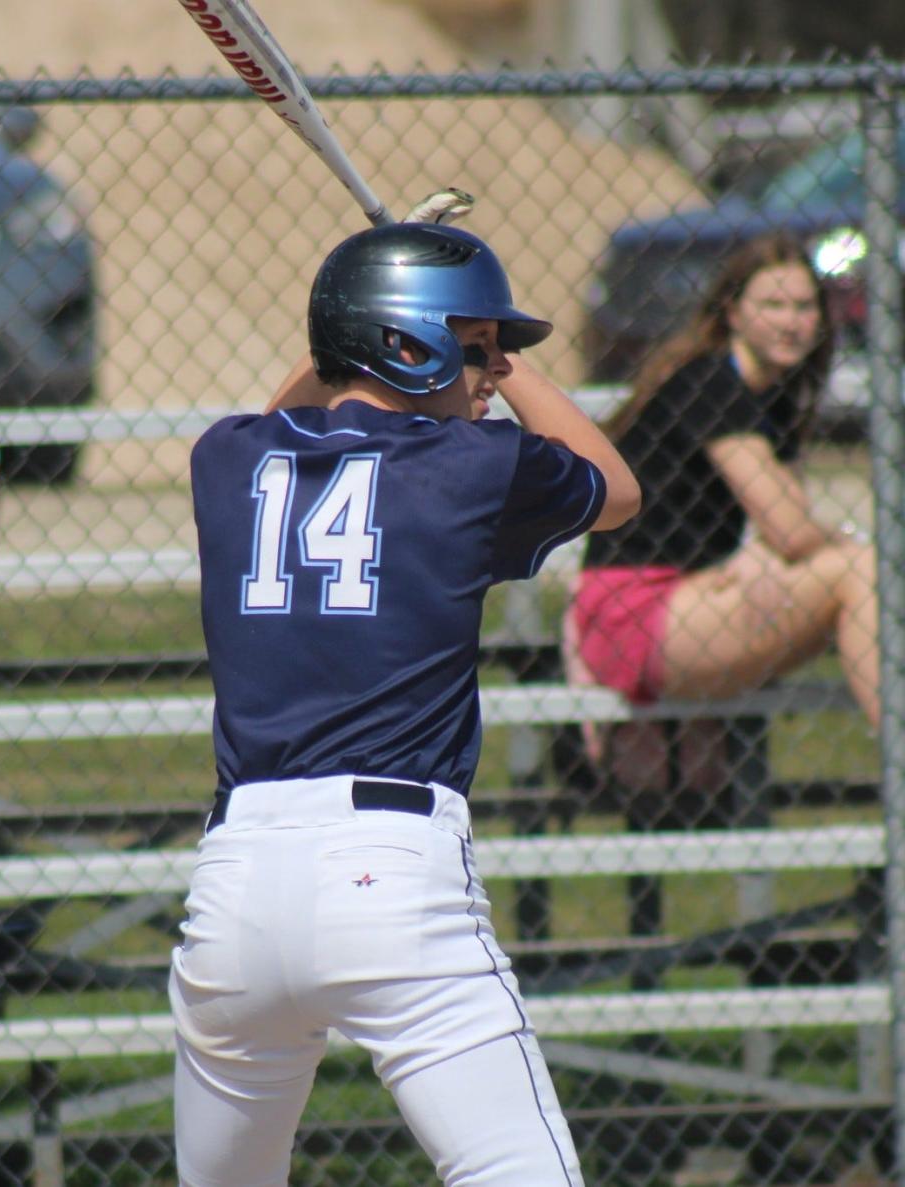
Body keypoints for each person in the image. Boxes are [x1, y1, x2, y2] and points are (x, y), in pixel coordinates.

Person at [169, 218, 640, 1187]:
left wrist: (348, 318)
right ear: (405, 342)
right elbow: (619, 488)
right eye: (478, 347)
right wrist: (508, 380)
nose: (492, 369)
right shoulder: (475, 465)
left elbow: (293, 415)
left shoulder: (226, 457)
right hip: (393, 874)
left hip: (233, 892)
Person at [565, 231, 879, 777]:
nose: (791, 321)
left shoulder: (770, 393)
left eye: (804, 306)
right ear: (733, 313)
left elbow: (785, 531)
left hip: (694, 598)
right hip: (632, 614)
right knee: (862, 571)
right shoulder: (713, 382)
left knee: (861, 574)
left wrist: (758, 557)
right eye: (772, 305)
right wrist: (836, 540)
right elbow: (792, 530)